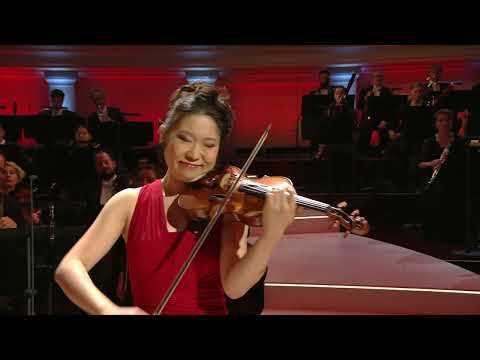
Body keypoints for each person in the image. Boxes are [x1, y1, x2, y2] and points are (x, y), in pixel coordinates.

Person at [55, 82, 367, 315]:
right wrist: (109, 311)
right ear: (164, 134)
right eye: (184, 138)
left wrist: (272, 234)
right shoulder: (129, 202)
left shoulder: (228, 208)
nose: (195, 154)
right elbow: (69, 268)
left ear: (219, 150)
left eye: (208, 145)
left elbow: (234, 287)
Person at [418, 109, 466, 245]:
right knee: (435, 192)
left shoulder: (459, 141)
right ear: (436, 124)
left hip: (455, 181)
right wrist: (432, 163)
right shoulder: (429, 142)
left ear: (452, 123)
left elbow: (464, 163)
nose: (444, 123)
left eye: (447, 120)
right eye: (440, 120)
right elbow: (421, 163)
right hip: (434, 181)